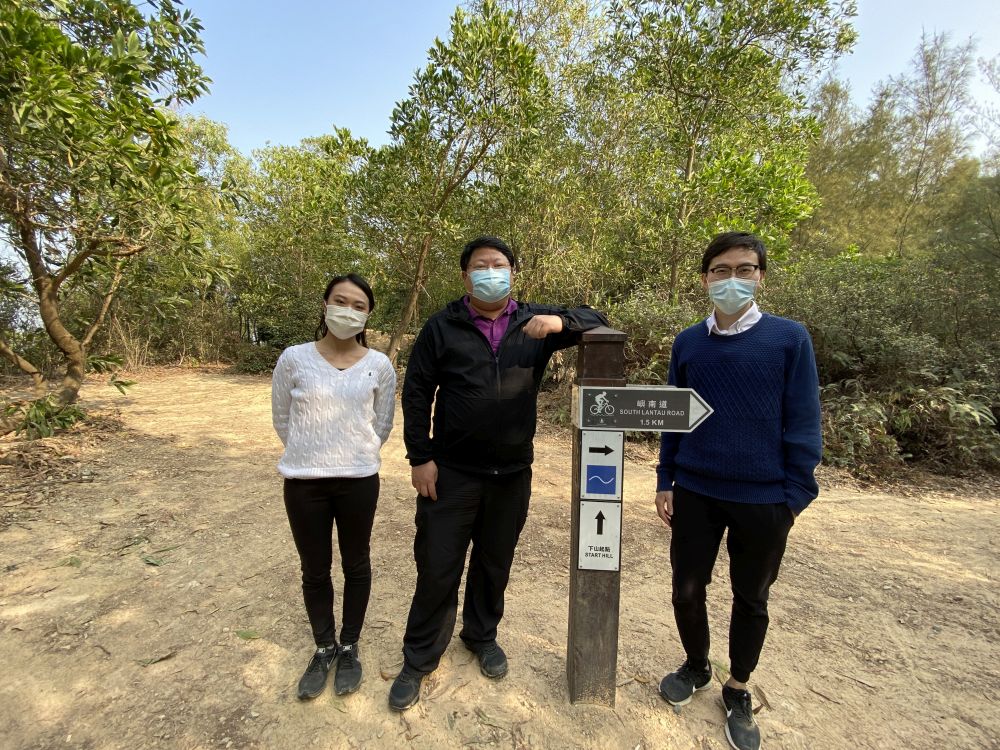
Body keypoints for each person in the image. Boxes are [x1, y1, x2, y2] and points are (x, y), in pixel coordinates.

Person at [388, 236, 609, 711]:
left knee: (495, 562)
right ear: (466, 276)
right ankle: (419, 658)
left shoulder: (534, 321)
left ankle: (481, 636)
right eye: (481, 266)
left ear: (513, 271)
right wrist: (419, 456)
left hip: (511, 473)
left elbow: (599, 319)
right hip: (450, 472)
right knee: (437, 565)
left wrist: (561, 322)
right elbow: (417, 392)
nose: (492, 272)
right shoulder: (442, 326)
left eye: (500, 264)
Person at [653, 232, 822, 750]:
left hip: (766, 500)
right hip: (697, 491)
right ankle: (698, 665)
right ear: (705, 278)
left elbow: (804, 420)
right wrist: (666, 478)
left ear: (761, 276)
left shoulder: (788, 339)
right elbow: (672, 414)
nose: (733, 279)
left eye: (744, 269)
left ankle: (738, 686)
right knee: (687, 587)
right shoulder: (688, 342)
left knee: (752, 598)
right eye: (721, 270)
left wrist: (794, 496)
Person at [271, 273, 396, 700]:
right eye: (340, 301)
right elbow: (283, 419)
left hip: (359, 481)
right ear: (325, 305)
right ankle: (323, 646)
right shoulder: (293, 358)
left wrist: (352, 452)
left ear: (367, 315)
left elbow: (382, 424)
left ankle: (349, 646)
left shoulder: (379, 364)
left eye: (358, 305)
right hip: (304, 483)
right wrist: (312, 453)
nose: (349, 310)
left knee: (356, 564)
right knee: (314, 567)